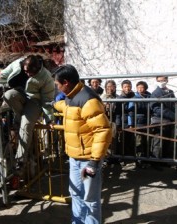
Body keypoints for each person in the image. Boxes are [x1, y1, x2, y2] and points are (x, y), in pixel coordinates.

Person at [52, 65, 112, 224]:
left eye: (57, 84)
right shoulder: (72, 95)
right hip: (74, 158)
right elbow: (67, 108)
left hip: (87, 161)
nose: (57, 88)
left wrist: (94, 160)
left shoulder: (88, 100)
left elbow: (103, 130)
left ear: (65, 82)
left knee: (90, 199)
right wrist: (51, 105)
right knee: (76, 193)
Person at [0, 55, 55, 175]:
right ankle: (23, 117)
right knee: (8, 95)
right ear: (22, 66)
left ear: (38, 68)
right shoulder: (17, 63)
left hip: (35, 101)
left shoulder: (46, 77)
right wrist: (0, 79)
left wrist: (49, 120)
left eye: (32, 72)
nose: (29, 74)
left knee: (25, 126)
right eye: (26, 72)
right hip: (20, 95)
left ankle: (20, 160)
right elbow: (4, 73)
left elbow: (47, 101)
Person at [150, 76, 176, 160]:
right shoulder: (155, 93)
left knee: (167, 141)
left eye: (163, 80)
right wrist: (173, 115)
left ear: (167, 80)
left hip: (169, 121)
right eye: (159, 80)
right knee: (158, 142)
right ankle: (155, 161)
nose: (161, 82)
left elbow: (175, 104)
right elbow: (156, 108)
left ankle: (163, 160)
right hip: (159, 121)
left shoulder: (170, 92)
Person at [128, 81, 151, 168]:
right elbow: (130, 112)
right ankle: (139, 161)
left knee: (146, 142)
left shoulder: (149, 97)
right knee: (139, 142)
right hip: (137, 123)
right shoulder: (134, 98)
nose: (140, 89)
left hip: (147, 123)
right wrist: (131, 124)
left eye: (142, 87)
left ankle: (144, 160)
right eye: (138, 88)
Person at [115, 79, 135, 156]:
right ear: (122, 88)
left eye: (129, 87)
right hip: (123, 122)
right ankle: (123, 157)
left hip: (133, 122)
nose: (127, 88)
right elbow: (118, 113)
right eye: (125, 87)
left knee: (131, 141)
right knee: (123, 141)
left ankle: (129, 156)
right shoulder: (120, 98)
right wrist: (118, 125)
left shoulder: (134, 97)